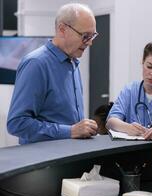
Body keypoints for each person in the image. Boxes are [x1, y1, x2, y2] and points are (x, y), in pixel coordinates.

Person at [7, 3, 99, 144]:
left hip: (69, 159)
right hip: (46, 164)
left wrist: (82, 130)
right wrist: (70, 131)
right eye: (85, 36)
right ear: (62, 29)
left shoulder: (73, 63)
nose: (89, 43)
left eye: (92, 36)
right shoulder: (36, 64)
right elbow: (17, 123)